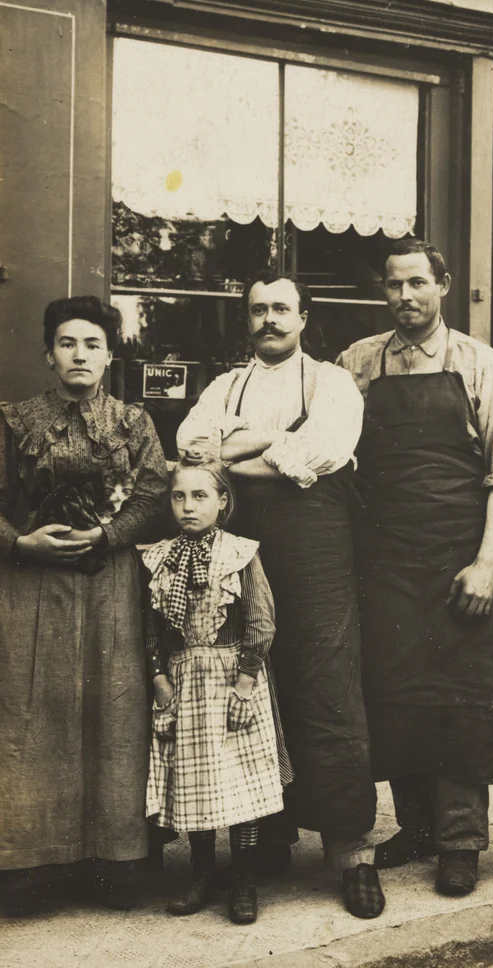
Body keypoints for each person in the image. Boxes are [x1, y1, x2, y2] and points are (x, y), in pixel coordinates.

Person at [175, 273, 382, 920]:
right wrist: (270, 445)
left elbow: (321, 452)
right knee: (249, 679)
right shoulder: (223, 386)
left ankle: (352, 854)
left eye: (281, 309)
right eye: (258, 309)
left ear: (304, 317)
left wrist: (243, 446)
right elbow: (192, 448)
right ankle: (266, 840)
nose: (269, 319)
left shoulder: (334, 383)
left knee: (325, 686)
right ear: (247, 318)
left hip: (316, 545)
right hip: (239, 541)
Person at [337, 238, 493, 898]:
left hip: (459, 560)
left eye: (417, 283)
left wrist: (486, 563)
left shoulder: (481, 364)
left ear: (443, 286)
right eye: (393, 286)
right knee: (393, 696)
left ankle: (460, 842)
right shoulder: (358, 363)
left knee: (461, 703)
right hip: (386, 558)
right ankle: (415, 826)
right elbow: (331, 456)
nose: (404, 297)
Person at [0, 295, 168, 916]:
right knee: (33, 713)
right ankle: (28, 861)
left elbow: (154, 496)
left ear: (109, 355)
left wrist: (109, 534)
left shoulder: (132, 423)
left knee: (114, 711)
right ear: (49, 354)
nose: (79, 354)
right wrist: (22, 543)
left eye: (92, 344)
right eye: (67, 343)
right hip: (29, 589)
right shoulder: (15, 420)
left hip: (110, 587)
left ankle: (114, 857)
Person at [143, 458, 291, 925]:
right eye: (179, 496)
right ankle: (202, 873)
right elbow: (151, 629)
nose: (188, 506)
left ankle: (243, 879)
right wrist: (159, 677)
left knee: (240, 782)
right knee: (196, 782)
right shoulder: (159, 556)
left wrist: (246, 679)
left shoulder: (239, 553)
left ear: (223, 501)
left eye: (201, 496)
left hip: (232, 679)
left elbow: (260, 619)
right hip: (184, 681)